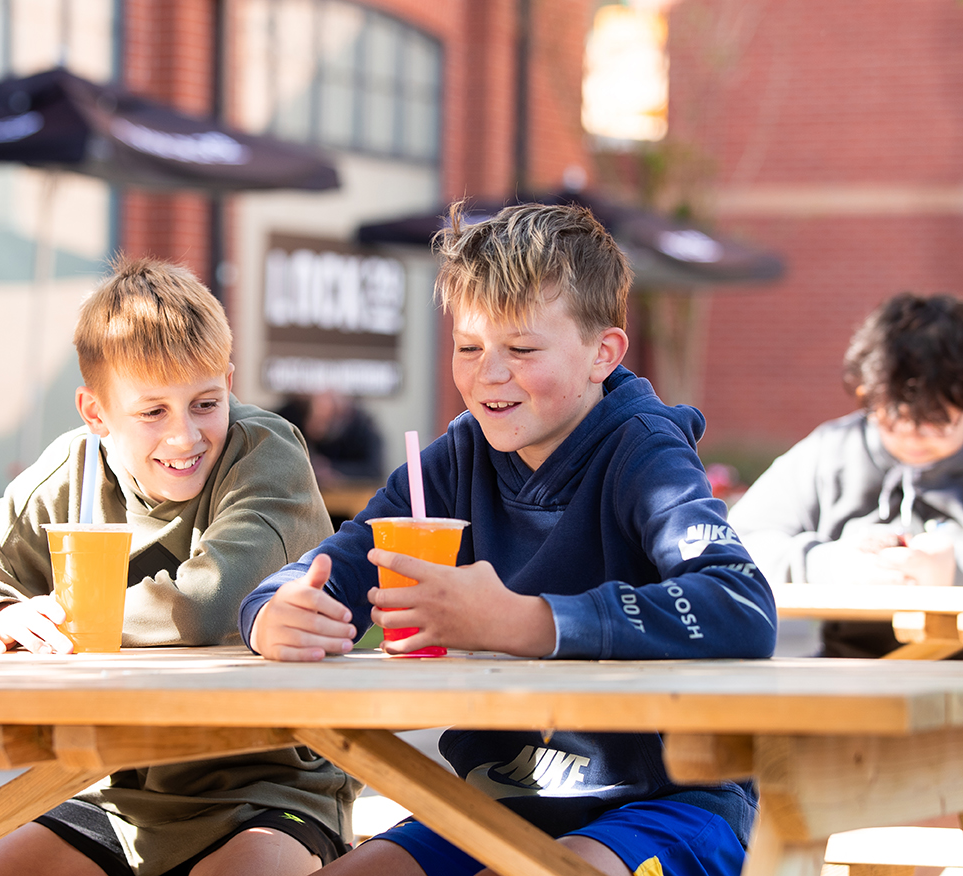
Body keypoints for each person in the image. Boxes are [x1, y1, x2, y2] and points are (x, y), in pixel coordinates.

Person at [240, 203, 776, 876]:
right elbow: (335, 565)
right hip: (493, 799)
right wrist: (273, 611)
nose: (488, 375)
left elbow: (740, 606)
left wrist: (529, 621)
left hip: (665, 803)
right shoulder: (454, 460)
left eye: (520, 349)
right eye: (469, 347)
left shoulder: (644, 451)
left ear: (600, 355)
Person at [0, 256, 356, 876]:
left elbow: (208, 601)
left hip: (269, 785)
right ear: (96, 413)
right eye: (152, 411)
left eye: (206, 403)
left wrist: (70, 617)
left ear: (230, 384)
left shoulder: (267, 454)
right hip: (115, 792)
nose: (185, 437)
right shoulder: (71, 472)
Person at [729, 292, 963, 658]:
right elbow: (735, 543)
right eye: (892, 418)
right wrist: (828, 564)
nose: (912, 437)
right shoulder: (834, 450)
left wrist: (954, 569)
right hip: (849, 666)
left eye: (936, 423)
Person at [276, 391, 385, 486]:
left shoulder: (365, 430)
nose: (317, 425)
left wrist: (334, 470)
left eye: (323, 420)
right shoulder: (294, 420)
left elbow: (374, 471)